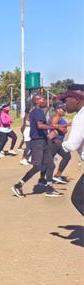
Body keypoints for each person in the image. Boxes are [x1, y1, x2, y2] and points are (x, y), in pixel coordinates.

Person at [12, 93, 64, 198]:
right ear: (37, 101)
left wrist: (51, 103)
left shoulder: (36, 112)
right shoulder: (37, 112)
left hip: (42, 141)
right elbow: (40, 126)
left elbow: (44, 114)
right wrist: (56, 127)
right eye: (43, 99)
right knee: (37, 166)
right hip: (38, 142)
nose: (44, 100)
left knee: (51, 165)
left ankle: (49, 189)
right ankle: (19, 185)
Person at [59, 85, 84, 215]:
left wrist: (58, 144)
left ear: (76, 99)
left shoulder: (80, 117)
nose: (64, 104)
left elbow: (72, 145)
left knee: (78, 199)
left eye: (66, 100)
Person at [49, 101, 71, 184]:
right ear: (57, 109)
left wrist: (65, 127)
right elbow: (53, 124)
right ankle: (44, 179)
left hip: (58, 142)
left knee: (66, 156)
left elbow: (62, 129)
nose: (64, 111)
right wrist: (62, 127)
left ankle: (57, 176)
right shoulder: (57, 116)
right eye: (63, 109)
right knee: (48, 161)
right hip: (55, 142)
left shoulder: (60, 117)